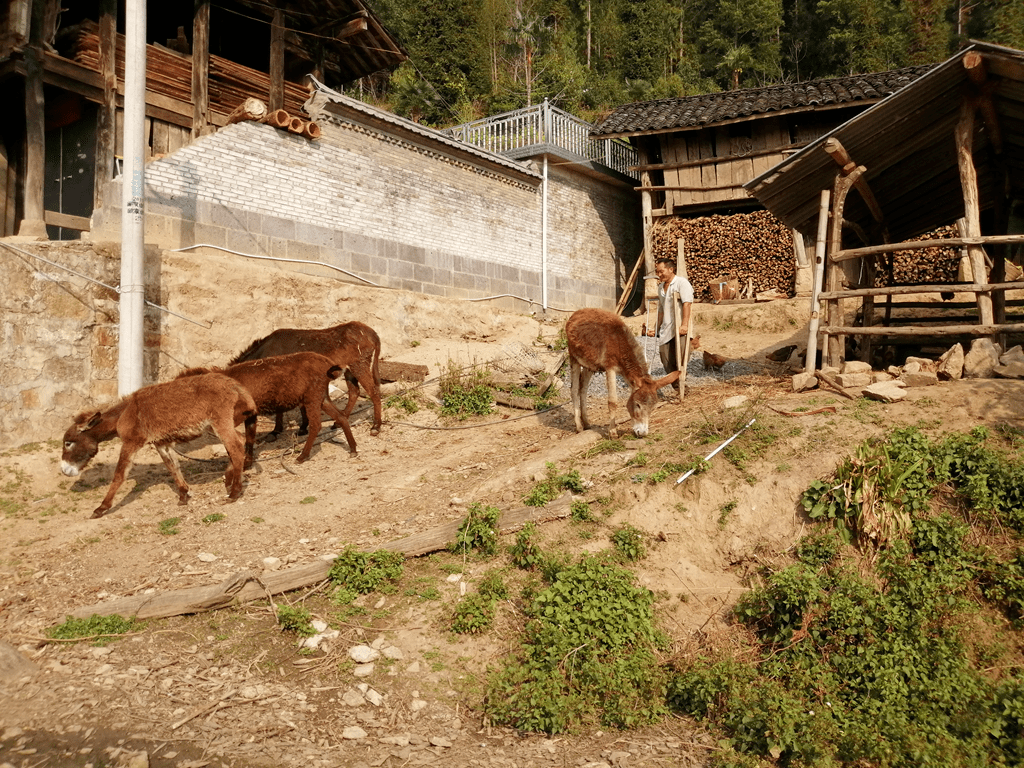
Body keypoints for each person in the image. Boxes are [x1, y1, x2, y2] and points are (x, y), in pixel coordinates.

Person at [644, 257, 693, 395]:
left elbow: (687, 304)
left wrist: (684, 325)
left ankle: (682, 389)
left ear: (671, 269)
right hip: (666, 328)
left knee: (681, 360)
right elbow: (660, 309)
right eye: (657, 272)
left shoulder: (682, 283)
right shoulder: (661, 287)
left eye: (661, 271)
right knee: (666, 360)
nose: (659, 275)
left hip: (679, 328)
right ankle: (679, 388)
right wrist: (655, 327)